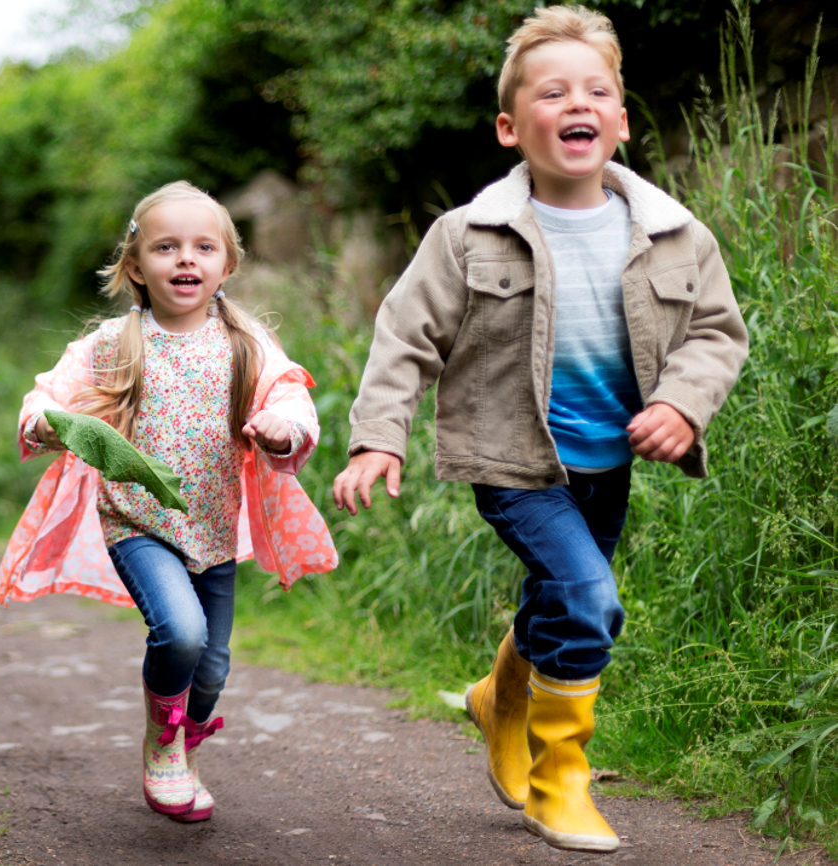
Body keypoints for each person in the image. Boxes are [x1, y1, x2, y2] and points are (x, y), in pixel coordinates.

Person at [331, 6, 748, 854]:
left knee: (564, 596)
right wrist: (380, 435)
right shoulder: (468, 235)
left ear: (621, 123)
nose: (576, 104)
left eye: (596, 90)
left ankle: (500, 692)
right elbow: (405, 334)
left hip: (608, 464)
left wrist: (680, 404)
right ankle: (561, 783)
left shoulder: (674, 235)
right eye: (552, 92)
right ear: (510, 126)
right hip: (516, 462)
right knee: (592, 601)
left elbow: (715, 331)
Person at [0, 181, 339, 823]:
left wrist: (283, 429)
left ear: (226, 265)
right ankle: (161, 745)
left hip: (212, 527)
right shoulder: (113, 343)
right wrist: (44, 421)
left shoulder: (247, 344)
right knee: (180, 634)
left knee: (212, 666)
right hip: (135, 521)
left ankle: (183, 739)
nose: (186, 259)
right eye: (166, 247)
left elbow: (291, 398)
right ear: (135, 265)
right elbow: (47, 395)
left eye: (203, 247)